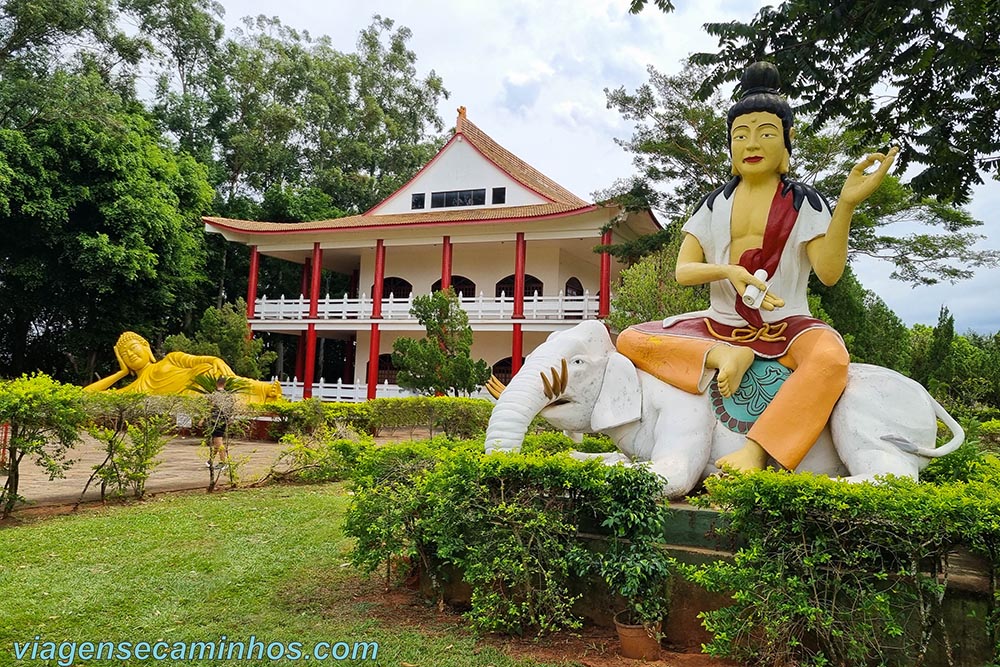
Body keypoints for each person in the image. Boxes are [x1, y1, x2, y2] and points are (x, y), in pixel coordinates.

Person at [616, 61, 897, 473]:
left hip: (787, 323)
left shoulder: (806, 202)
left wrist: (846, 205)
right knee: (630, 339)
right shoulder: (713, 204)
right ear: (729, 146)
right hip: (721, 325)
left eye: (766, 133)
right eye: (740, 135)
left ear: (787, 140)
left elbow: (829, 273)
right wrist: (727, 271)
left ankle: (757, 450)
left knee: (831, 357)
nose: (752, 143)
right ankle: (724, 356)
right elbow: (684, 271)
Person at [84, 331, 283, 403]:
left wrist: (214, 361)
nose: (132, 354)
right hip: (189, 399)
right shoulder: (136, 388)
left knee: (212, 369)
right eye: (126, 355)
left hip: (205, 382)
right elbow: (86, 395)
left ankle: (262, 389)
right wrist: (121, 373)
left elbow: (197, 360)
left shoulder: (171, 358)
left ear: (146, 347)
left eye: (134, 348)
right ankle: (262, 391)